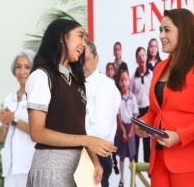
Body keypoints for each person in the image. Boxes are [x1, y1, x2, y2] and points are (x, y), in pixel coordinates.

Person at [135, 8, 194, 187]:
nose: (161, 35)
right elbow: (155, 111)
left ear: (183, 31)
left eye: (167, 30)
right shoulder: (159, 67)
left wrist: (180, 136)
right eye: (160, 30)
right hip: (159, 157)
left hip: (193, 160)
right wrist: (143, 125)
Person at [25, 19, 117, 187]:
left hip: (78, 171)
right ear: (62, 38)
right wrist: (87, 141)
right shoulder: (42, 76)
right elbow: (37, 133)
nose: (84, 43)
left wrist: (95, 161)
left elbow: (78, 128)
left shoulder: (77, 81)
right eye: (80, 36)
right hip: (51, 169)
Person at [0, 50, 36, 187]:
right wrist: (4, 125)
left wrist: (13, 120)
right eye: (18, 66)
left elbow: (39, 131)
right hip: (11, 167)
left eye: (27, 67)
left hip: (30, 165)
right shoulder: (8, 99)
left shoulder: (38, 97)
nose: (22, 71)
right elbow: (0, 138)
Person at [83, 40, 121, 187]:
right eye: (77, 60)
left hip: (96, 155)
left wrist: (77, 138)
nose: (81, 65)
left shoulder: (104, 85)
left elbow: (101, 130)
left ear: (96, 58)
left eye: (85, 60)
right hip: (76, 153)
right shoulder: (74, 84)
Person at [115, 69, 139, 187]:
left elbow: (135, 115)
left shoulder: (132, 97)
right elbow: (118, 116)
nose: (124, 82)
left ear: (129, 82)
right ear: (119, 82)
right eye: (122, 80)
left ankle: (133, 179)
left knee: (131, 156)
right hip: (122, 129)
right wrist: (123, 132)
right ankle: (122, 179)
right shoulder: (118, 98)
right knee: (122, 155)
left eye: (126, 80)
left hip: (131, 129)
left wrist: (130, 132)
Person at [130, 47, 152, 163]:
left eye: (143, 55)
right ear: (136, 60)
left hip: (149, 111)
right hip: (138, 112)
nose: (141, 58)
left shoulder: (151, 75)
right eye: (139, 56)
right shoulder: (133, 79)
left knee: (147, 139)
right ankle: (136, 167)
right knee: (136, 139)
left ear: (146, 57)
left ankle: (148, 169)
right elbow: (131, 98)